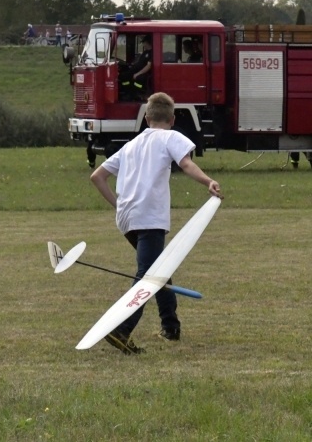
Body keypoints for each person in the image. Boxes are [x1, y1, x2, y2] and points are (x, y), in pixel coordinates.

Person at [90, 92, 223, 354]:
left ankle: (170, 327)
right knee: (148, 277)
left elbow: (97, 177)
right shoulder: (170, 137)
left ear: (147, 119)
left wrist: (118, 205)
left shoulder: (130, 145)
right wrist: (208, 181)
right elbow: (185, 163)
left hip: (127, 219)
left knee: (160, 269)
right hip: (150, 218)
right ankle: (121, 330)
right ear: (172, 119)